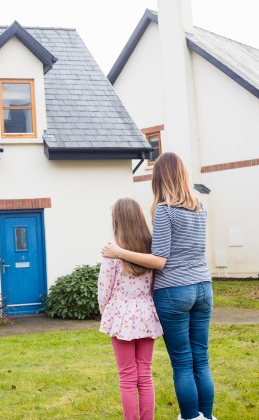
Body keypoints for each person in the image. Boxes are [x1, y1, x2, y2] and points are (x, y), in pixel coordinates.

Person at [102, 152, 216, 420]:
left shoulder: (165, 210)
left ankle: (190, 417)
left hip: (175, 292)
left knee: (183, 362)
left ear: (160, 178)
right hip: (203, 287)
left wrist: (119, 251)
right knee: (201, 358)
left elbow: (159, 260)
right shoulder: (200, 206)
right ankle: (207, 417)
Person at [98, 198, 163, 420]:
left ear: (119, 220)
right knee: (144, 374)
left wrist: (105, 312)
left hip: (121, 316)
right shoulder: (150, 250)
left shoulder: (112, 252)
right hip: (146, 314)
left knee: (127, 376)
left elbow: (104, 290)